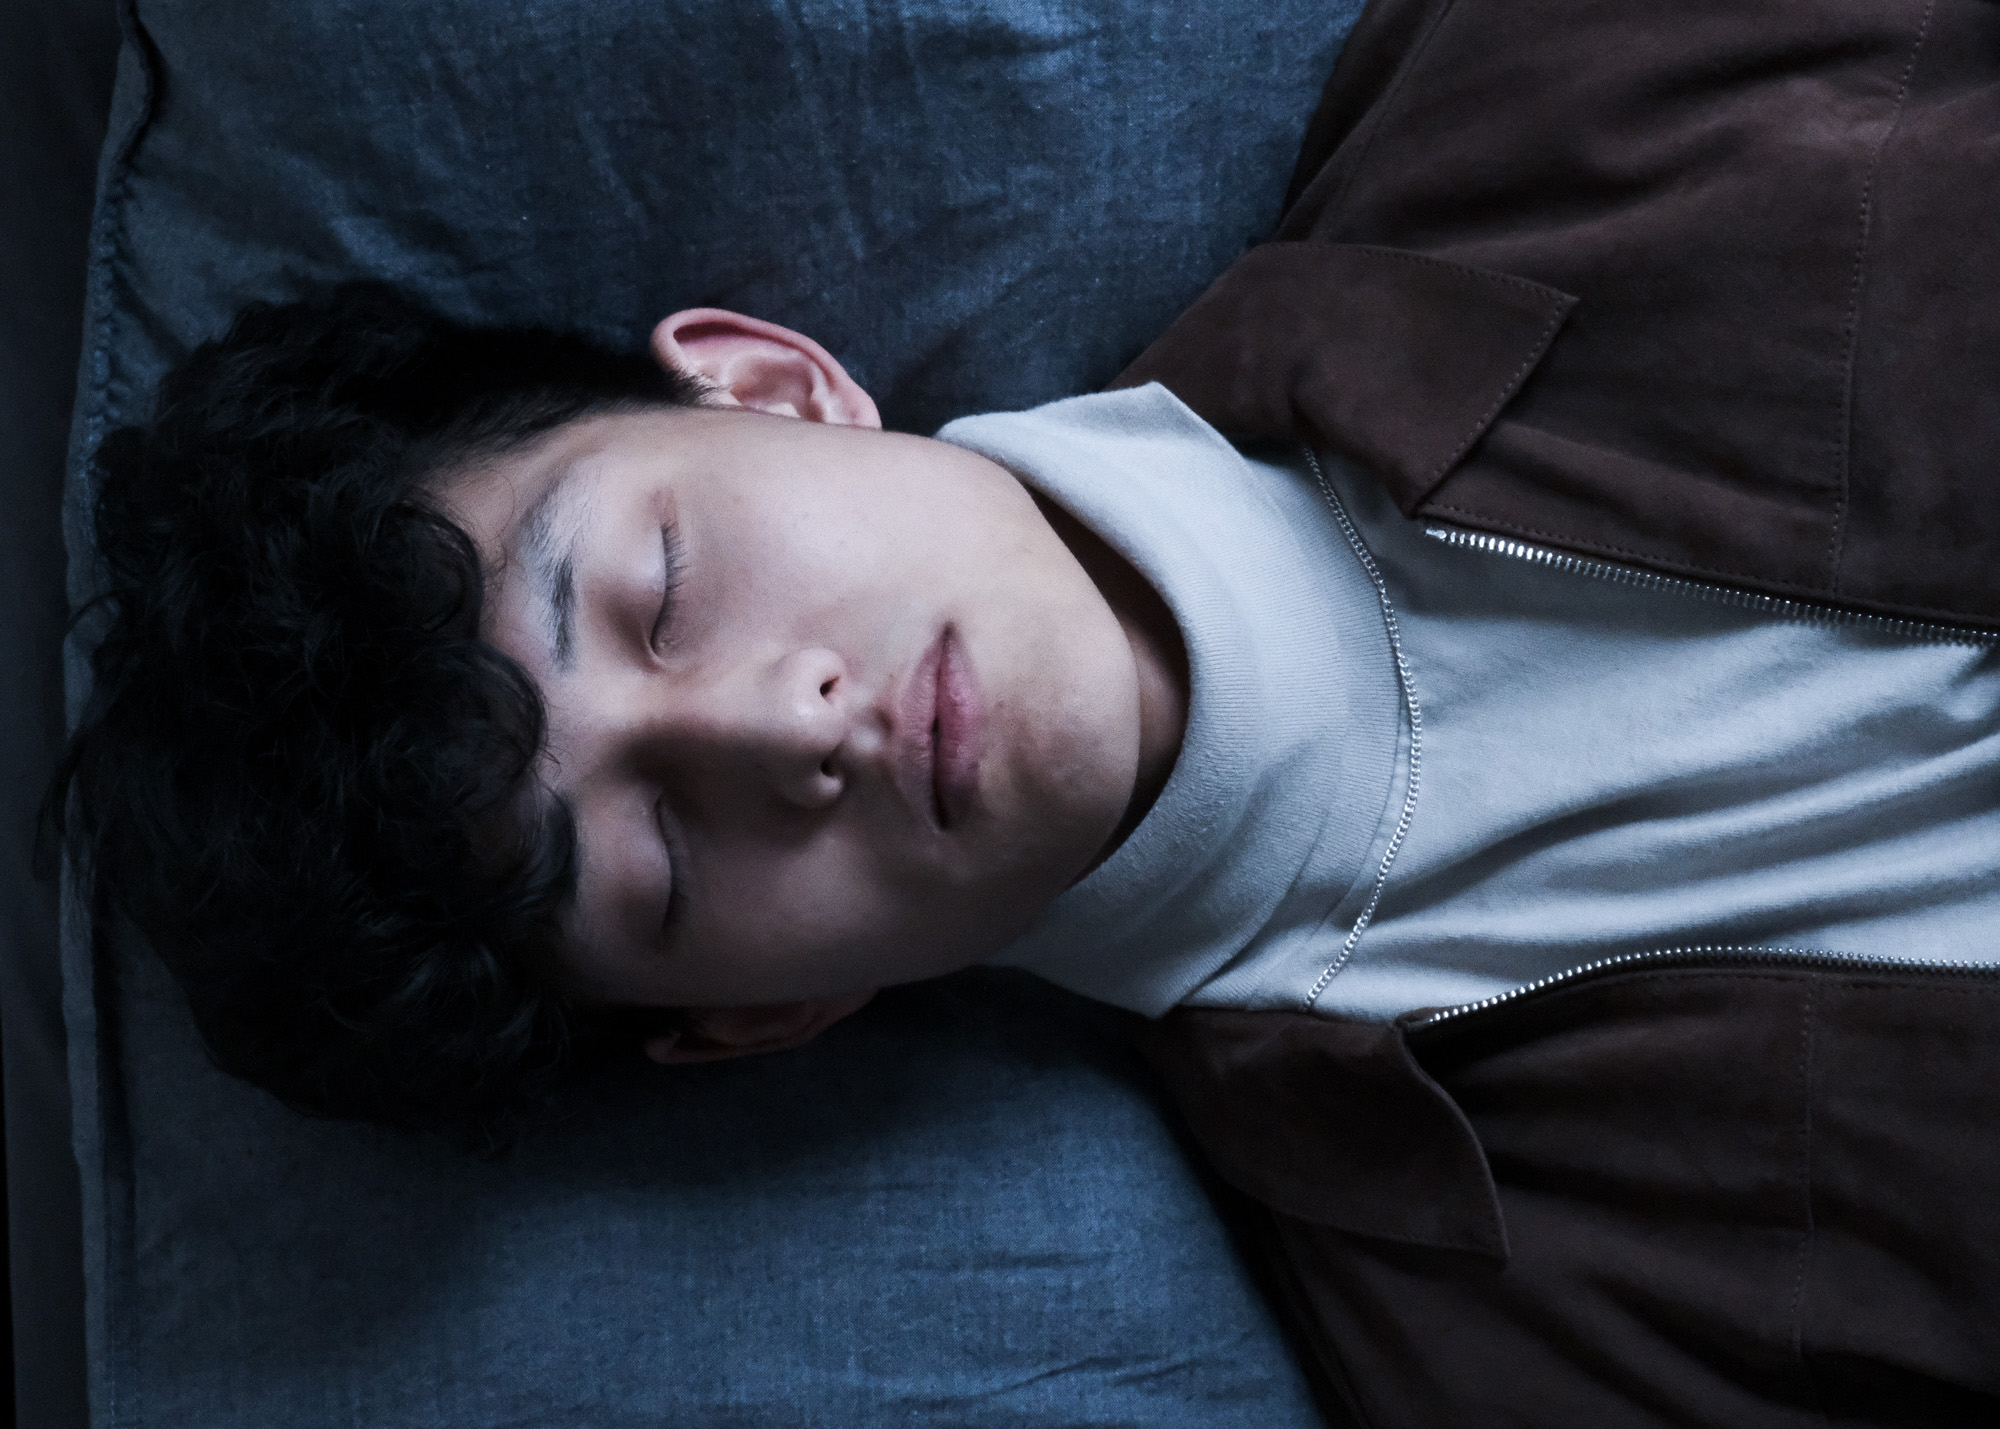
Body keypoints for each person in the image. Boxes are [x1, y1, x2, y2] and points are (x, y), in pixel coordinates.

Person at [54, 0, 2000, 1421]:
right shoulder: (1518, 1329)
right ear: (753, 1018)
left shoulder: (1592, 88)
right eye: (652, 857)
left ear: (767, 383)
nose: (773, 728)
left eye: (659, 586)